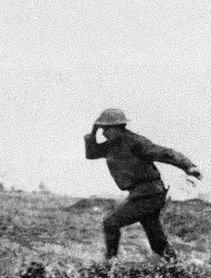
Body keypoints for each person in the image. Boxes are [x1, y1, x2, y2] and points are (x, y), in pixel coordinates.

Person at [84, 108, 202, 261]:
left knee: (110, 223)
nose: (103, 133)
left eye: (106, 129)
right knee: (157, 241)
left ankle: (110, 264)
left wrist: (188, 166)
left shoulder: (135, 142)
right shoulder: (110, 145)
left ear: (118, 127)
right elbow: (91, 154)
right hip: (142, 194)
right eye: (102, 129)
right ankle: (176, 267)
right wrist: (93, 133)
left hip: (149, 194)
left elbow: (164, 153)